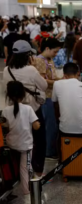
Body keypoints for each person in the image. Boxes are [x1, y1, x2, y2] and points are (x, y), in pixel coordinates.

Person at [3, 40, 48, 179]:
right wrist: (35, 68)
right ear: (27, 55)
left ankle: (18, 172)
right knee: (39, 140)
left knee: (18, 139)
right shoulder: (31, 70)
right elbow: (44, 86)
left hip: (13, 110)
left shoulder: (7, 70)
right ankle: (38, 171)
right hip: (32, 110)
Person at [1, 81, 41, 204]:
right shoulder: (28, 109)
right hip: (25, 146)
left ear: (8, 95)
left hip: (12, 144)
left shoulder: (6, 111)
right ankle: (28, 199)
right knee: (25, 171)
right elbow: (36, 126)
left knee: (15, 168)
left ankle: (10, 189)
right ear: (23, 95)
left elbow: (5, 126)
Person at [33, 37, 62, 160]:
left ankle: (51, 149)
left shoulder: (49, 59)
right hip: (45, 97)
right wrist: (58, 83)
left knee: (52, 123)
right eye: (54, 51)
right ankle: (49, 151)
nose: (56, 54)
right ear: (47, 48)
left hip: (52, 95)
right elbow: (42, 81)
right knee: (50, 125)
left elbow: (52, 76)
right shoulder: (40, 60)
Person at [52, 63, 82, 137]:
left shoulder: (56, 84)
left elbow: (55, 105)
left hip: (65, 129)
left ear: (64, 75)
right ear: (78, 73)